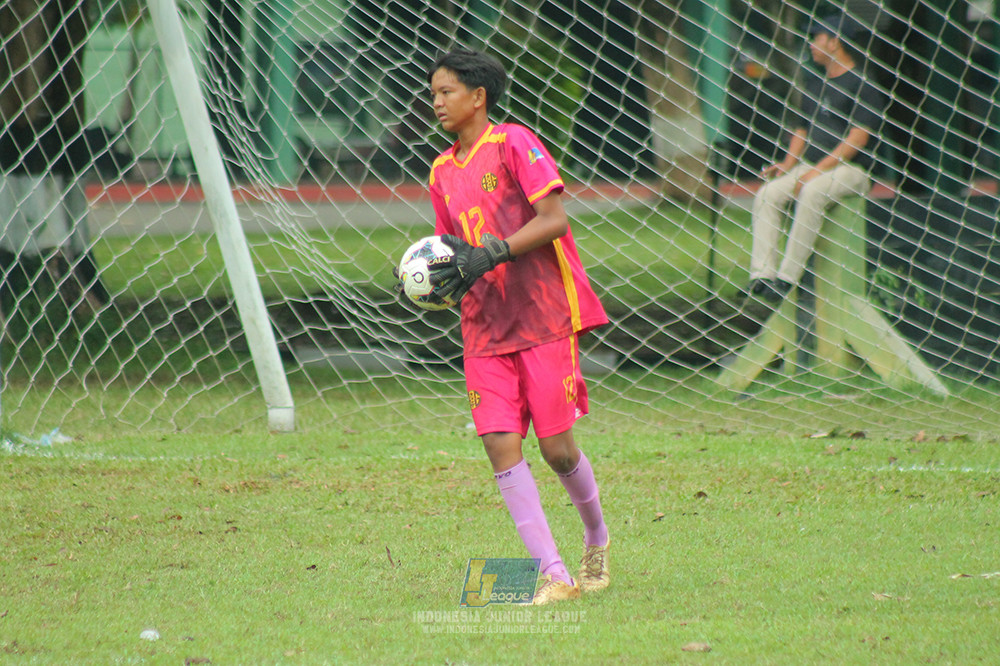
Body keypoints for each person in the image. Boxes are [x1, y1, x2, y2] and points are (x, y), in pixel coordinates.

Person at [417, 48, 611, 605]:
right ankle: (552, 573)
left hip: (542, 317)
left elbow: (553, 221)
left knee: (558, 452)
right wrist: (439, 273)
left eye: (446, 92)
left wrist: (493, 253)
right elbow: (451, 245)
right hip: (483, 328)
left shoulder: (514, 142)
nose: (437, 103)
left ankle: (595, 534)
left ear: (478, 97)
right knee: (500, 445)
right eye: (433, 94)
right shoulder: (440, 170)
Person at [747, 14, 885, 303]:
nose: (811, 44)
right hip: (814, 166)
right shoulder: (816, 83)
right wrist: (787, 165)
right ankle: (762, 275)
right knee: (767, 194)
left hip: (852, 170)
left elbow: (857, 139)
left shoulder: (863, 83)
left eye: (816, 38)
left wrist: (816, 172)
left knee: (812, 192)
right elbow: (802, 129)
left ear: (834, 42)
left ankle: (786, 279)